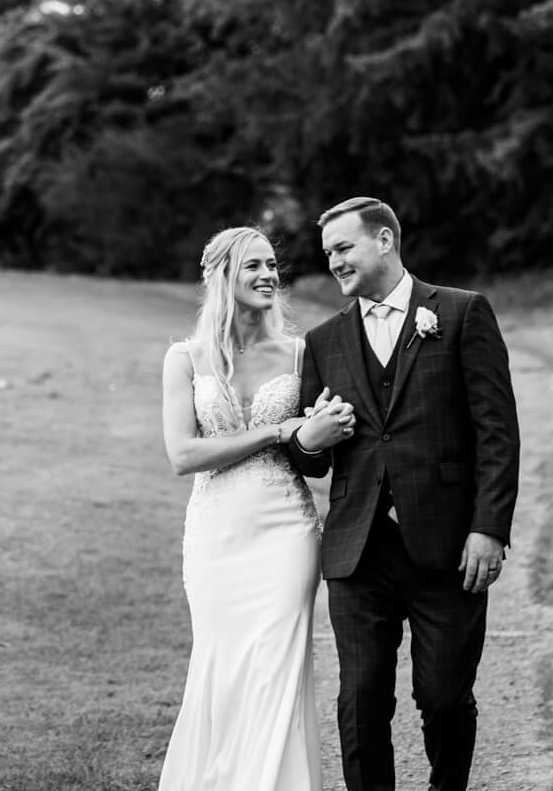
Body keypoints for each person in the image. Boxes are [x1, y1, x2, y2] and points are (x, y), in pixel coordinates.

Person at [286, 197, 519, 791]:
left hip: (448, 548)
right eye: (328, 253)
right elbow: (311, 458)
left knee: (443, 697)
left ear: (384, 240)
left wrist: (488, 527)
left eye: (344, 248)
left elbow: (497, 432)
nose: (334, 262)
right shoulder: (323, 341)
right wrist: (311, 440)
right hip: (358, 551)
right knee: (361, 701)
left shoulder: (462, 314)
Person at [158, 226, 358, 791]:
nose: (270, 275)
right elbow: (183, 455)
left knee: (276, 674)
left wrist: (317, 433)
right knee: (221, 672)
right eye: (253, 266)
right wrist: (277, 429)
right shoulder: (184, 358)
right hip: (215, 536)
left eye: (272, 265)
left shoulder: (301, 352)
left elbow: (320, 438)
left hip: (284, 534)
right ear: (221, 275)